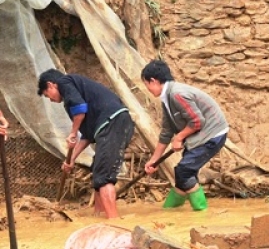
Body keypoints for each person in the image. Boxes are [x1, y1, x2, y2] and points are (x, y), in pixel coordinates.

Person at [37, 69, 134, 219]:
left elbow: (80, 110)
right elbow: (87, 136)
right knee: (98, 170)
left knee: (104, 177)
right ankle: (98, 215)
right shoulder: (75, 94)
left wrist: (73, 132)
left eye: (47, 94)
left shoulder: (65, 82)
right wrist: (71, 159)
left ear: (51, 85)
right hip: (114, 124)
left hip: (112, 122)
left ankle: (114, 221)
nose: (50, 99)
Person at [141, 59, 228, 211]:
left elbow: (197, 121)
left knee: (183, 170)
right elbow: (166, 131)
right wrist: (154, 160)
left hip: (212, 135)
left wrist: (180, 137)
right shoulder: (166, 98)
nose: (147, 88)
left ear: (153, 81)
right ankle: (169, 212)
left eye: (146, 84)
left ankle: (202, 212)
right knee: (184, 175)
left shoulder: (177, 94)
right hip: (200, 137)